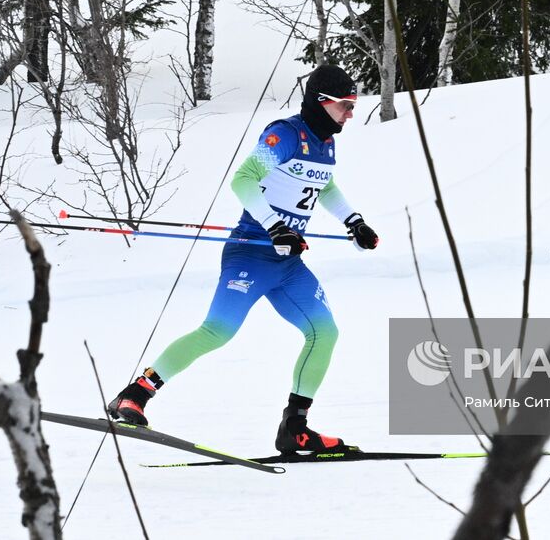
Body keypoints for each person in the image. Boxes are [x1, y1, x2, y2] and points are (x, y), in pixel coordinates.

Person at [106, 64, 379, 455]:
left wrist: (354, 222)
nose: (351, 113)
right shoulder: (285, 134)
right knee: (218, 330)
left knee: (324, 332)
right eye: (345, 105)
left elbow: (325, 185)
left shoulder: (325, 142)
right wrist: (274, 226)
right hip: (250, 253)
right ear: (322, 103)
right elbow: (244, 179)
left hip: (288, 263)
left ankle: (295, 428)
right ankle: (133, 395)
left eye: (353, 105)